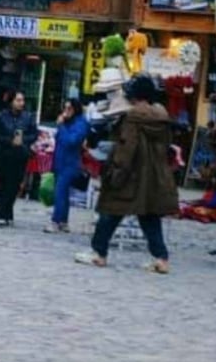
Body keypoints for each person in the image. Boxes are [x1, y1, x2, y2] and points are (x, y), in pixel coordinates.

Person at [76, 74, 179, 273]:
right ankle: (161, 258)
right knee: (149, 216)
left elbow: (126, 147)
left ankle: (99, 253)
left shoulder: (132, 117)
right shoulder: (161, 118)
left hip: (130, 175)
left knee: (110, 211)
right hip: (153, 176)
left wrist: (115, 170)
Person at [0, 89, 37, 227]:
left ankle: (6, 212)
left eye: (22, 100)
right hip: (4, 154)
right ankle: (2, 213)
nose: (21, 103)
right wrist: (9, 140)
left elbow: (34, 134)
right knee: (4, 185)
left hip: (20, 155)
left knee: (15, 185)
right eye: (18, 100)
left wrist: (23, 140)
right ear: (11, 102)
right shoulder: (2, 116)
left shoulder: (27, 117)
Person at [45, 98, 89, 234]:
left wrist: (62, 126)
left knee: (60, 192)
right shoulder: (69, 122)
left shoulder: (81, 123)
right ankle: (63, 221)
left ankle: (55, 221)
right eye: (65, 108)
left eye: (69, 109)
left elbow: (72, 141)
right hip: (60, 161)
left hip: (70, 163)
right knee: (63, 193)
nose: (66, 112)